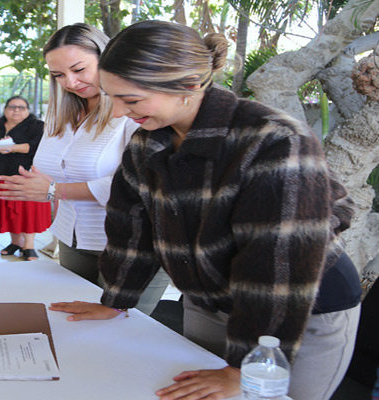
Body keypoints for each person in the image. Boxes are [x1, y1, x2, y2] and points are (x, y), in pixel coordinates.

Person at [49, 21, 362, 400]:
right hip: (209, 298)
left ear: (190, 84)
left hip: (299, 306)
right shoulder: (146, 143)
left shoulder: (274, 140)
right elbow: (133, 227)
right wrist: (115, 300)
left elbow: (277, 262)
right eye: (111, 97)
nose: (117, 113)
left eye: (130, 100)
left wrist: (246, 364)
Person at [0, 23, 171, 315]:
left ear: (107, 57)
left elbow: (139, 182)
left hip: (132, 244)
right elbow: (50, 168)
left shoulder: (132, 110)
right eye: (59, 75)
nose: (70, 82)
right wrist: (34, 185)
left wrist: (54, 189)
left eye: (79, 69)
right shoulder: (61, 113)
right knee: (76, 324)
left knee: (123, 329)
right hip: (72, 236)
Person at [0, 96, 50, 261]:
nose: (16, 111)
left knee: (26, 212)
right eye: (12, 107)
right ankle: (15, 242)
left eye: (21, 108)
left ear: (28, 110)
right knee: (9, 214)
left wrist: (13, 148)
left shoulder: (36, 126)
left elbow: (38, 146)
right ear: (5, 109)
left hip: (23, 177)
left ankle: (29, 246)